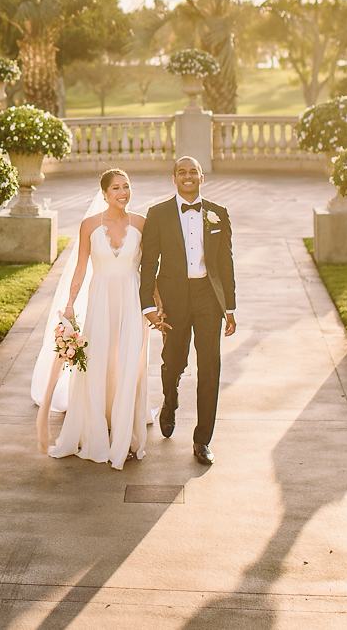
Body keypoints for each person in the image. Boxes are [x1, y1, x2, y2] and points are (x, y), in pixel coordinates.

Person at [37, 167, 150, 469]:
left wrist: (156, 305)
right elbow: (81, 268)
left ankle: (125, 435)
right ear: (104, 193)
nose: (123, 193)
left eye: (126, 186)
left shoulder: (141, 223)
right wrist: (71, 303)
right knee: (99, 362)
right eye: (115, 188)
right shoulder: (88, 225)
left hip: (132, 300)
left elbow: (150, 269)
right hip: (100, 301)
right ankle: (98, 430)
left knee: (127, 364)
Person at [139, 156, 236, 466]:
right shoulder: (158, 214)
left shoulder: (218, 214)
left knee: (210, 367)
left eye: (193, 171)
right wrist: (149, 305)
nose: (188, 176)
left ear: (201, 177)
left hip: (209, 298)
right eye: (182, 172)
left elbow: (225, 264)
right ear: (174, 178)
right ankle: (170, 401)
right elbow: (148, 263)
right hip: (174, 298)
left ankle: (202, 440)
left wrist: (230, 308)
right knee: (173, 362)